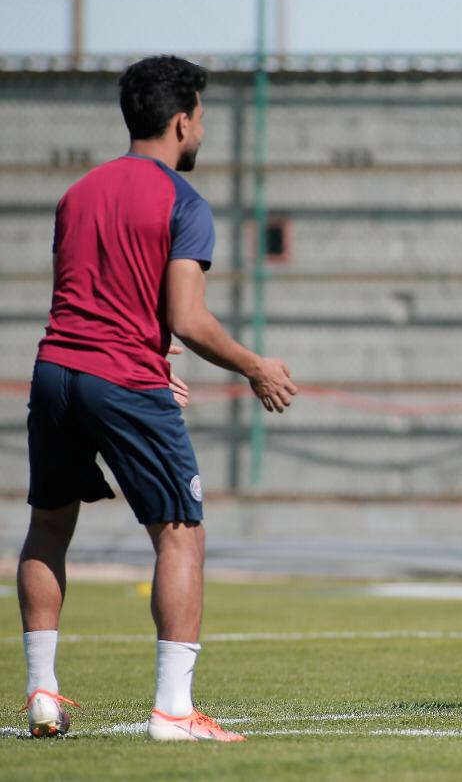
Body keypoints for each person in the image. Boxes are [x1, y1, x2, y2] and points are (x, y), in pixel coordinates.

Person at [19, 56, 297, 741]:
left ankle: (41, 694)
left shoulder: (77, 193)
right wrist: (254, 366)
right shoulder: (183, 202)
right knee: (181, 535)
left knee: (49, 526)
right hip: (122, 380)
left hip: (56, 372)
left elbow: (93, 297)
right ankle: (174, 710)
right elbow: (188, 318)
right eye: (201, 117)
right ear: (182, 120)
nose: (202, 129)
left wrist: (145, 358)